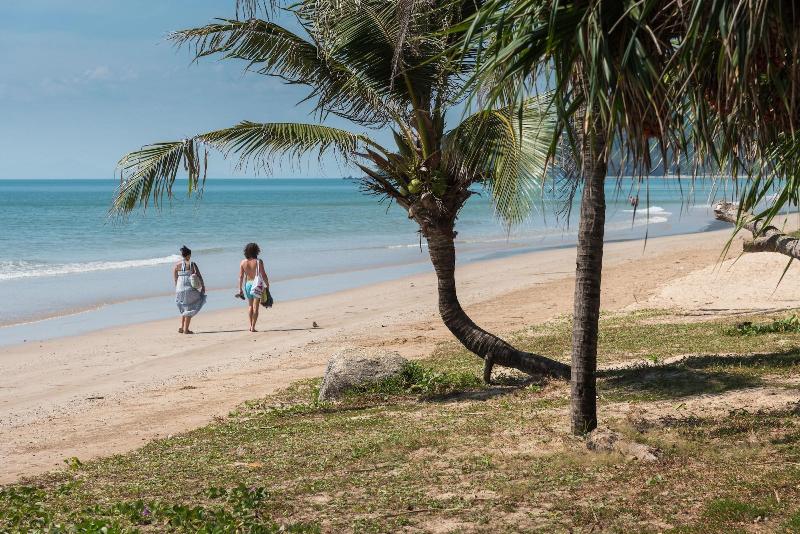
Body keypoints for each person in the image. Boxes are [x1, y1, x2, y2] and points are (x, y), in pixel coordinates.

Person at [236, 242, 269, 332]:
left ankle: (250, 325)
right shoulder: (259, 261)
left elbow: (241, 277)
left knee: (250, 305)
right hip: (257, 284)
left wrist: (240, 288)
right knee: (256, 307)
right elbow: (263, 275)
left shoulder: (243, 262)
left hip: (248, 284)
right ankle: (253, 327)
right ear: (256, 251)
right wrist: (267, 284)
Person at [173, 245, 206, 334]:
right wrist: (203, 287)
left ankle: (181, 327)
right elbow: (199, 276)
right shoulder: (192, 264)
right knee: (190, 307)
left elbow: (175, 279)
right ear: (188, 255)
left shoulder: (176, 265)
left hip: (179, 289)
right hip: (189, 288)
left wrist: (178, 290)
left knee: (184, 307)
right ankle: (186, 330)